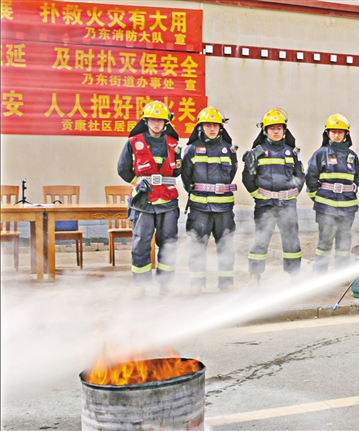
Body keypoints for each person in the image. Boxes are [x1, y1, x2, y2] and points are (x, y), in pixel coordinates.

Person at [117, 100, 182, 299]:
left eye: (160, 120)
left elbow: (177, 171)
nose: (156, 123)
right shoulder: (133, 142)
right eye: (152, 119)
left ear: (166, 122)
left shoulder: (173, 144)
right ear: (145, 121)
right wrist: (139, 183)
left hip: (168, 202)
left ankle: (165, 284)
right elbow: (123, 169)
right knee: (141, 243)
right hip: (144, 202)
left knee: (169, 243)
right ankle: (140, 285)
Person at [242, 108, 305, 284]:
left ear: (284, 130)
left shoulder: (292, 152)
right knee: (261, 240)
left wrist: (292, 194)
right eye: (272, 128)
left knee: (292, 241)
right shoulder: (257, 152)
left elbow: (300, 176)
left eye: (279, 128)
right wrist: (257, 195)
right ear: (265, 130)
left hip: (287, 205)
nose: (276, 131)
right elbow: (247, 177)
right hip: (265, 205)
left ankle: (294, 277)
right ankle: (255, 277)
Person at [180, 106, 239, 294]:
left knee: (226, 245)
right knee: (197, 245)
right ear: (200, 126)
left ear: (221, 127)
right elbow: (186, 177)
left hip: (224, 208)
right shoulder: (191, 150)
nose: (212, 128)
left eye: (215, 125)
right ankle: (196, 284)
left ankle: (226, 282)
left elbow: (232, 172)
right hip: (199, 208)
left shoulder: (229, 149)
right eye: (208, 125)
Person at [305, 114, 359, 274]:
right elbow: (310, 178)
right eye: (333, 132)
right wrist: (318, 198)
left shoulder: (352, 156)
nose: (336, 135)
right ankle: (321, 274)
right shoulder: (320, 154)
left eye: (340, 132)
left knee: (344, 243)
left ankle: (341, 274)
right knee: (325, 242)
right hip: (326, 208)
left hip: (348, 208)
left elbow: (358, 177)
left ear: (346, 134)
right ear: (327, 133)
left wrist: (351, 191)